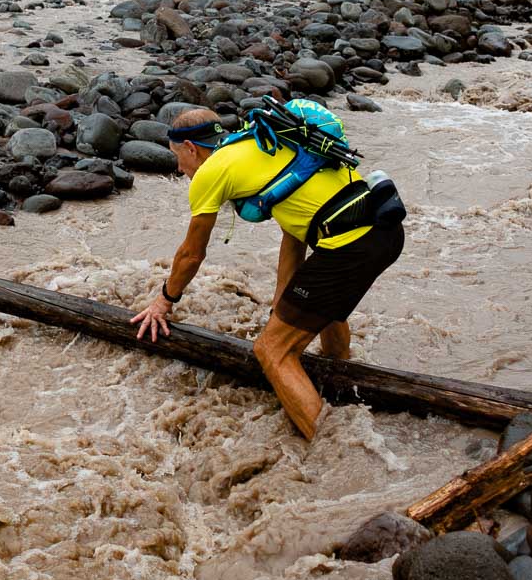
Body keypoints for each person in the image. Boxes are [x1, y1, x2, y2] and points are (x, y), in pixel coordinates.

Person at [130, 107, 405, 440]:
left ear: (190, 147)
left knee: (272, 351)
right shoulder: (265, 143)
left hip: (348, 247)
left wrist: (163, 301)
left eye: (178, 158)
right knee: (322, 310)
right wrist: (283, 302)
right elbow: (294, 233)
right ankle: (339, 379)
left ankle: (331, 449)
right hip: (383, 230)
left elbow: (191, 254)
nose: (179, 167)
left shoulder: (211, 171)